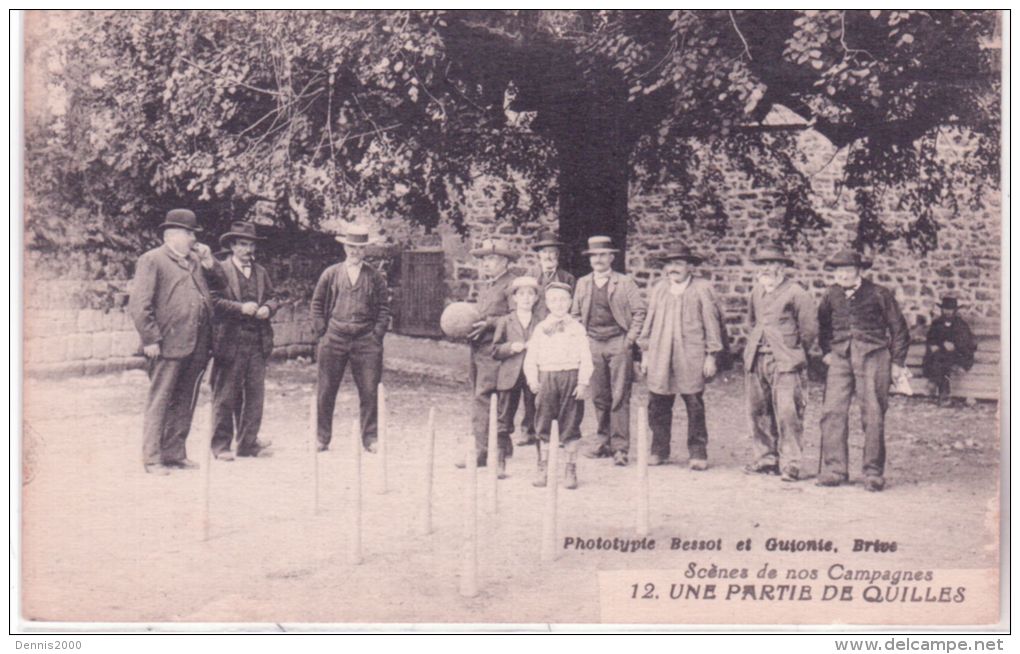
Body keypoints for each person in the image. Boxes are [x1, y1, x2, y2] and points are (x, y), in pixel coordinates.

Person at [129, 208, 224, 475]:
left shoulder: (195, 260)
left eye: (193, 233)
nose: (194, 238)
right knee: (161, 400)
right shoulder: (153, 260)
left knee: (186, 400)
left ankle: (175, 452)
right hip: (167, 345)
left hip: (198, 344)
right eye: (189, 233)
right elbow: (140, 304)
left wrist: (209, 262)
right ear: (172, 234)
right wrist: (150, 338)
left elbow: (223, 284)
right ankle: (152, 458)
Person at [817, 248, 910, 492]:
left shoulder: (879, 293)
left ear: (859, 271)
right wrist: (826, 351)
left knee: (873, 413)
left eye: (848, 269)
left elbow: (899, 330)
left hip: (873, 356)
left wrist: (897, 363)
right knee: (832, 411)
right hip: (840, 357)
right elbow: (823, 326)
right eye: (838, 270)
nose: (843, 275)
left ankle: (872, 472)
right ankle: (835, 469)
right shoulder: (830, 295)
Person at [637, 245, 722, 471]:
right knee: (658, 403)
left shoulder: (702, 289)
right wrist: (645, 353)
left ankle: (697, 452)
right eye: (670, 264)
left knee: (694, 403)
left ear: (690, 267)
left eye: (679, 263)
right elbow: (649, 322)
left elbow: (712, 325)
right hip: (660, 353)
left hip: (690, 355)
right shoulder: (659, 289)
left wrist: (711, 356)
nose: (673, 268)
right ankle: (659, 450)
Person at [311, 225, 391, 453]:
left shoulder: (375, 277)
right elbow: (317, 304)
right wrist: (322, 332)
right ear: (345, 247)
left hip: (366, 340)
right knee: (326, 389)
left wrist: (376, 335)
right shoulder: (331, 273)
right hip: (334, 337)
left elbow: (384, 308)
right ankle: (322, 437)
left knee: (369, 390)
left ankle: (370, 438)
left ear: (365, 250)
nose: (355, 252)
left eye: (360, 248)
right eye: (351, 247)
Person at [742, 244, 818, 482]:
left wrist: (793, 352)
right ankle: (766, 459)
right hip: (758, 358)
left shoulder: (797, 293)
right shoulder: (756, 291)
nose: (766, 269)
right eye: (762, 264)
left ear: (783, 267)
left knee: (788, 412)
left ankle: (791, 464)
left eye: (771, 264)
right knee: (758, 411)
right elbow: (753, 322)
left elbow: (809, 330)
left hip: (786, 361)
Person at [573, 235, 647, 466]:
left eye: (603, 255)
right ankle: (602, 441)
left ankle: (621, 448)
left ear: (612, 257)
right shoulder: (583, 283)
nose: (598, 259)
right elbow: (575, 314)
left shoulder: (624, 283)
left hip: (618, 342)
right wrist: (583, 338)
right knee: (599, 396)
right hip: (592, 343)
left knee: (619, 396)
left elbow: (639, 312)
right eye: (594, 255)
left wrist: (629, 340)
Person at [209, 221, 279, 461]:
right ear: (232, 246)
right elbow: (213, 301)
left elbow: (273, 297)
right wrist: (241, 308)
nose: (249, 250)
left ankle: (248, 444)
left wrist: (268, 309)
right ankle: (221, 446)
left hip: (257, 342)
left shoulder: (261, 272)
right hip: (230, 341)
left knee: (255, 395)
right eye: (243, 245)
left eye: (251, 245)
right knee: (225, 395)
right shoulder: (221, 270)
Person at [523, 282, 593, 489]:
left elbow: (586, 357)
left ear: (570, 302)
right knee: (543, 422)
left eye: (563, 299)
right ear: (547, 302)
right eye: (554, 299)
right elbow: (531, 357)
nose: (559, 304)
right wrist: (532, 379)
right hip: (547, 377)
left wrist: (582, 382)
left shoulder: (577, 328)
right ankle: (543, 467)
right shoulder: (540, 328)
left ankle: (570, 469)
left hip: (570, 376)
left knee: (571, 423)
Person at [458, 238, 518, 468]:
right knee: (485, 395)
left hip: (495, 350)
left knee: (483, 398)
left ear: (504, 261)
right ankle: (503, 444)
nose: (486, 263)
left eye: (491, 259)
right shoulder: (488, 285)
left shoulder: (511, 285)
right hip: (478, 348)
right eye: (484, 259)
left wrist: (489, 324)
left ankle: (481, 451)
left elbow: (516, 317)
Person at [516, 230, 577, 447]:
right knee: (531, 382)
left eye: (553, 252)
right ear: (539, 255)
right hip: (533, 334)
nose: (549, 257)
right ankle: (529, 428)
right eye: (545, 252)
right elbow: (521, 304)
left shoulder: (568, 278)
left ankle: (556, 430)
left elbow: (570, 309)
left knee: (555, 383)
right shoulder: (530, 276)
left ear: (558, 255)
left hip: (557, 336)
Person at [490, 276, 542, 477]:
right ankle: (500, 462)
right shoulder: (505, 321)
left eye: (531, 294)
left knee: (537, 417)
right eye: (521, 294)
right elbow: (494, 349)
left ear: (536, 298)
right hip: (509, 375)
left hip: (534, 376)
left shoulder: (542, 323)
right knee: (504, 418)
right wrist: (511, 347)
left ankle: (541, 463)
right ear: (514, 298)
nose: (526, 298)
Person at [921, 297, 977, 404]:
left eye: (950, 309)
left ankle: (935, 384)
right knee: (941, 358)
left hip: (959, 355)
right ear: (942, 310)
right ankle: (944, 394)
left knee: (941, 359)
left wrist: (955, 345)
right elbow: (931, 340)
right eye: (945, 309)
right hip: (941, 356)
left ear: (955, 310)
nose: (947, 312)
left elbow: (967, 343)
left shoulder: (960, 324)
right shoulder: (937, 323)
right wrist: (940, 345)